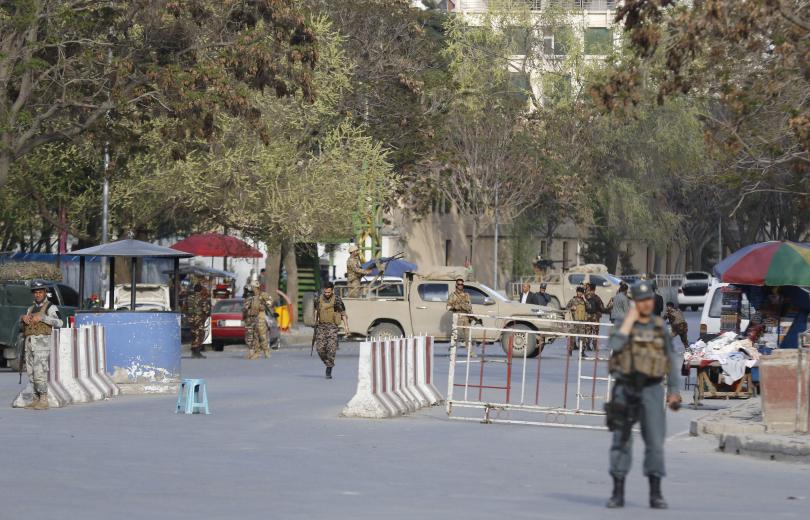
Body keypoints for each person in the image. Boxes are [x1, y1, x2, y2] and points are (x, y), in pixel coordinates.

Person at [605, 280, 682, 510]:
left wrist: (674, 392)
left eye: (648, 299)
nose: (645, 304)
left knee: (655, 442)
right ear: (634, 302)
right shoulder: (622, 325)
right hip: (625, 389)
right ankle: (617, 492)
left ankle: (655, 493)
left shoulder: (659, 328)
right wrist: (629, 321)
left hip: (652, 389)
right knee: (621, 440)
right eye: (640, 301)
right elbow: (616, 345)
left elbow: (670, 361)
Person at [19, 282, 63, 410]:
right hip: (29, 344)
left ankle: (44, 399)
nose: (38, 294)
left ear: (45, 292)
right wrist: (23, 319)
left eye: (40, 292)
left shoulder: (50, 307)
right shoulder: (31, 308)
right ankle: (36, 398)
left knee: (40, 372)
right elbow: (22, 326)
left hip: (42, 345)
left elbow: (60, 322)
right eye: (36, 292)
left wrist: (43, 318)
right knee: (31, 372)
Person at [314, 282, 348, 379]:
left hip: (332, 327)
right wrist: (315, 321)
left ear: (332, 290)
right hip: (321, 326)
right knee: (320, 349)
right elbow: (316, 310)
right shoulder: (318, 299)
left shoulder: (337, 299)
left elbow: (343, 313)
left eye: (329, 292)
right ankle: (328, 363)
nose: (327, 294)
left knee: (331, 348)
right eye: (325, 292)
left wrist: (346, 327)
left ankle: (329, 367)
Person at [243, 280, 274, 360]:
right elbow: (246, 307)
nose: (253, 289)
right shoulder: (251, 296)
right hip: (252, 318)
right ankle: (256, 352)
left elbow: (270, 301)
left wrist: (264, 306)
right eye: (252, 287)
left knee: (262, 336)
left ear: (257, 287)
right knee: (255, 336)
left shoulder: (263, 295)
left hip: (260, 317)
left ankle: (266, 352)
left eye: (254, 287)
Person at [448, 278, 476, 356]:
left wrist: (471, 315)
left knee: (468, 336)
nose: (460, 286)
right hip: (458, 316)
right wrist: (455, 307)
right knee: (456, 335)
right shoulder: (453, 295)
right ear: (456, 285)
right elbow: (448, 307)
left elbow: (470, 306)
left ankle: (470, 352)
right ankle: (453, 352)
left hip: (466, 317)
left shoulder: (466, 295)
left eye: (462, 284)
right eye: (459, 284)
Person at [186, 277, 212, 359]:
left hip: (191, 318)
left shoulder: (189, 298)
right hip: (199, 319)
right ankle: (197, 352)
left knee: (193, 334)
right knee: (199, 335)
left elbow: (185, 308)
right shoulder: (202, 299)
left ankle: (193, 352)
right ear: (200, 290)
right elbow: (206, 310)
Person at [565, 286, 588, 355]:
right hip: (574, 322)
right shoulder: (573, 300)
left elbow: (589, 307)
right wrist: (571, 308)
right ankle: (570, 351)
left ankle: (582, 352)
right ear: (577, 292)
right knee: (572, 337)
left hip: (582, 322)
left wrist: (585, 299)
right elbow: (566, 308)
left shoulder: (584, 301)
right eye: (579, 292)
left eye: (581, 292)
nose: (580, 293)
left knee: (582, 338)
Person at [584, 282, 606, 352]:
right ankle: (594, 345)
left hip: (587, 316)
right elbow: (602, 307)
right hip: (595, 317)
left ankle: (587, 345)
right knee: (595, 331)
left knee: (588, 331)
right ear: (595, 289)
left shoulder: (585, 296)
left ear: (589, 288)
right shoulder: (596, 297)